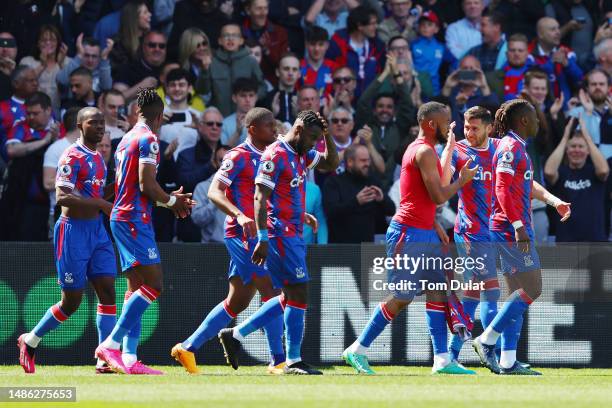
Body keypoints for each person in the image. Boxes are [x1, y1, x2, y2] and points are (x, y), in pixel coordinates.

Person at [341, 102, 477, 375]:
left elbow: (435, 185)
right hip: (408, 233)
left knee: (438, 291)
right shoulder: (423, 151)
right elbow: (439, 195)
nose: (449, 125)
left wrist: (450, 147)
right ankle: (357, 349)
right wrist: (462, 182)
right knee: (403, 295)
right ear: (430, 124)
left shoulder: (424, 150)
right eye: (445, 121)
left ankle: (441, 360)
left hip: (424, 231)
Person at [218, 110, 339, 375]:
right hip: (278, 233)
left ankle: (237, 334)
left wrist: (327, 136)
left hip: (293, 232)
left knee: (289, 295)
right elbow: (259, 197)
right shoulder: (276, 154)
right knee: (299, 292)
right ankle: (293, 360)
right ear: (298, 130)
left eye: (318, 139)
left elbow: (330, 164)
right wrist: (262, 237)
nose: (314, 144)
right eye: (313, 138)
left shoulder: (301, 153)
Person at [172, 108, 286, 375]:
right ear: (253, 129)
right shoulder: (238, 156)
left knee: (236, 303)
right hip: (241, 234)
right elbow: (214, 192)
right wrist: (239, 214)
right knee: (273, 292)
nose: (275, 130)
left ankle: (187, 347)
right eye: (270, 126)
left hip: (260, 233)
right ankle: (278, 359)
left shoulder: (273, 156)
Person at [95, 88, 194, 375]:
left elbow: (131, 187)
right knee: (155, 284)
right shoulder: (150, 139)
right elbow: (146, 186)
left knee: (136, 287)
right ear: (160, 117)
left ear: (136, 112)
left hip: (123, 215)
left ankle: (128, 358)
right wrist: (173, 201)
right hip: (134, 220)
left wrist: (167, 199)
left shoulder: (125, 139)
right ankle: (111, 345)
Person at [472, 99, 571, 375]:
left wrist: (554, 201)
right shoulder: (510, 147)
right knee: (533, 289)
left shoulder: (516, 148)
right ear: (524, 121)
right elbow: (502, 188)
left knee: (516, 294)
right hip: (508, 229)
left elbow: (526, 184)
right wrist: (517, 225)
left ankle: (507, 361)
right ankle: (486, 339)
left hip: (508, 227)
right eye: (536, 118)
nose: (539, 122)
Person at [17, 107, 117, 374]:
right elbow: (62, 197)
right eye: (93, 123)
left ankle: (104, 358)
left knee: (107, 290)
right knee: (71, 302)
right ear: (80, 126)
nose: (99, 127)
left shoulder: (99, 157)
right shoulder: (72, 156)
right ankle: (31, 339)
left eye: (102, 123)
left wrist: (116, 189)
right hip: (73, 232)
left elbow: (94, 193)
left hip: (97, 230)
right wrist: (100, 202)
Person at [0, 92, 64, 241]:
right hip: (24, 201)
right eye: (28, 113)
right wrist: (45, 141)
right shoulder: (21, 127)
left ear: (48, 110)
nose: (31, 117)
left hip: (53, 200)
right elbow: (12, 150)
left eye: (35, 113)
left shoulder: (61, 130)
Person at [544, 116, 609, 242]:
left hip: (595, 241)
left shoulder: (594, 172)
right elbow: (549, 172)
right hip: (566, 241)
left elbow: (604, 171)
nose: (577, 150)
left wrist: (587, 138)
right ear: (567, 150)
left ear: (588, 150)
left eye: (581, 146)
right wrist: (565, 137)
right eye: (573, 146)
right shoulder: (561, 172)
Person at [323, 143, 395, 243]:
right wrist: (356, 201)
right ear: (350, 162)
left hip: (367, 248)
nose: (367, 164)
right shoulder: (333, 183)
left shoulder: (373, 181)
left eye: (368, 160)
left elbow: (391, 211)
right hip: (340, 248)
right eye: (363, 160)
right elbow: (331, 212)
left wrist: (382, 199)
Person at [194, 23, 266, 117]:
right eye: (226, 35)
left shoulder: (251, 62)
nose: (230, 39)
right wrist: (204, 71)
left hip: (245, 118)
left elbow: (262, 88)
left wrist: (251, 98)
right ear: (220, 41)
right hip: (219, 120)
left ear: (241, 40)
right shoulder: (212, 61)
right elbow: (202, 91)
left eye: (235, 35)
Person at [326, 6, 386, 97]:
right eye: (372, 24)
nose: (376, 27)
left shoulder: (378, 46)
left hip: (370, 101)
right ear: (360, 26)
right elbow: (330, 73)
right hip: (343, 100)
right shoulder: (337, 44)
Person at [530, 17, 583, 105]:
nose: (558, 32)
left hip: (565, 107)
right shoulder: (528, 53)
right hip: (538, 107)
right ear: (540, 34)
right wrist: (551, 62)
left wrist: (567, 64)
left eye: (558, 28)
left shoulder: (567, 52)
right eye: (553, 29)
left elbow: (580, 78)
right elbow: (531, 77)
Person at [42, 107, 81, 229]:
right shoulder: (56, 149)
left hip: (87, 213)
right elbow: (48, 183)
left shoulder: (92, 149)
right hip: (61, 214)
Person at [19, 24, 70, 114]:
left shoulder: (68, 62)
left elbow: (69, 87)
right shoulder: (27, 61)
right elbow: (23, 85)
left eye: (52, 40)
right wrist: (42, 65)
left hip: (59, 110)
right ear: (38, 43)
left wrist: (61, 64)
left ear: (58, 43)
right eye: (44, 40)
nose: (48, 43)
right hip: (33, 111)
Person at [241, 0, 289, 85]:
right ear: (248, 10)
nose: (263, 13)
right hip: (244, 86)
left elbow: (284, 65)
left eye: (265, 8)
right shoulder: (239, 33)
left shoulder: (279, 32)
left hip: (271, 86)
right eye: (259, 9)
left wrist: (267, 50)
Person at [189, 144, 230, 243]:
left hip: (240, 248)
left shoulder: (245, 188)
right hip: (212, 248)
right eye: (221, 160)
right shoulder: (202, 187)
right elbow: (197, 220)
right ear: (215, 163)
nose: (225, 165)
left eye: (229, 161)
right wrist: (215, 200)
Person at [114, 31, 168, 102]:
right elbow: (115, 100)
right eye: (152, 45)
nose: (157, 49)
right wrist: (140, 88)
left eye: (161, 46)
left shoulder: (170, 69)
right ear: (143, 47)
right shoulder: (127, 69)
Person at [0, 66, 38, 161]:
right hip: (10, 166)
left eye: (36, 80)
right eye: (30, 81)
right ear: (16, 84)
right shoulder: (2, 108)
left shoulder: (45, 107)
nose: (35, 83)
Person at [411, 10, 454, 96]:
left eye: (429, 25)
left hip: (435, 89)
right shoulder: (412, 45)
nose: (425, 27)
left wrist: (450, 75)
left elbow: (454, 61)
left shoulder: (441, 47)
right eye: (423, 25)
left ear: (436, 29)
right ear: (419, 27)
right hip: (416, 87)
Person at [300, 26, 338, 98]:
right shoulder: (298, 67)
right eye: (313, 44)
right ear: (306, 44)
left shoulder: (335, 68)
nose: (316, 49)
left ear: (327, 45)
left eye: (321, 44)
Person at [263, 53, 301, 124]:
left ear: (299, 74)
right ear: (277, 72)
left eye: (294, 69)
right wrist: (273, 114)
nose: (290, 73)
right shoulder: (266, 99)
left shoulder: (304, 99)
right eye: (286, 69)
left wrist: (298, 115)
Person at [221, 78, 259, 147]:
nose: (247, 100)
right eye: (243, 95)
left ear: (256, 97)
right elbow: (221, 154)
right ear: (234, 98)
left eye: (251, 95)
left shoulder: (264, 121)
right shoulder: (225, 124)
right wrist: (237, 133)